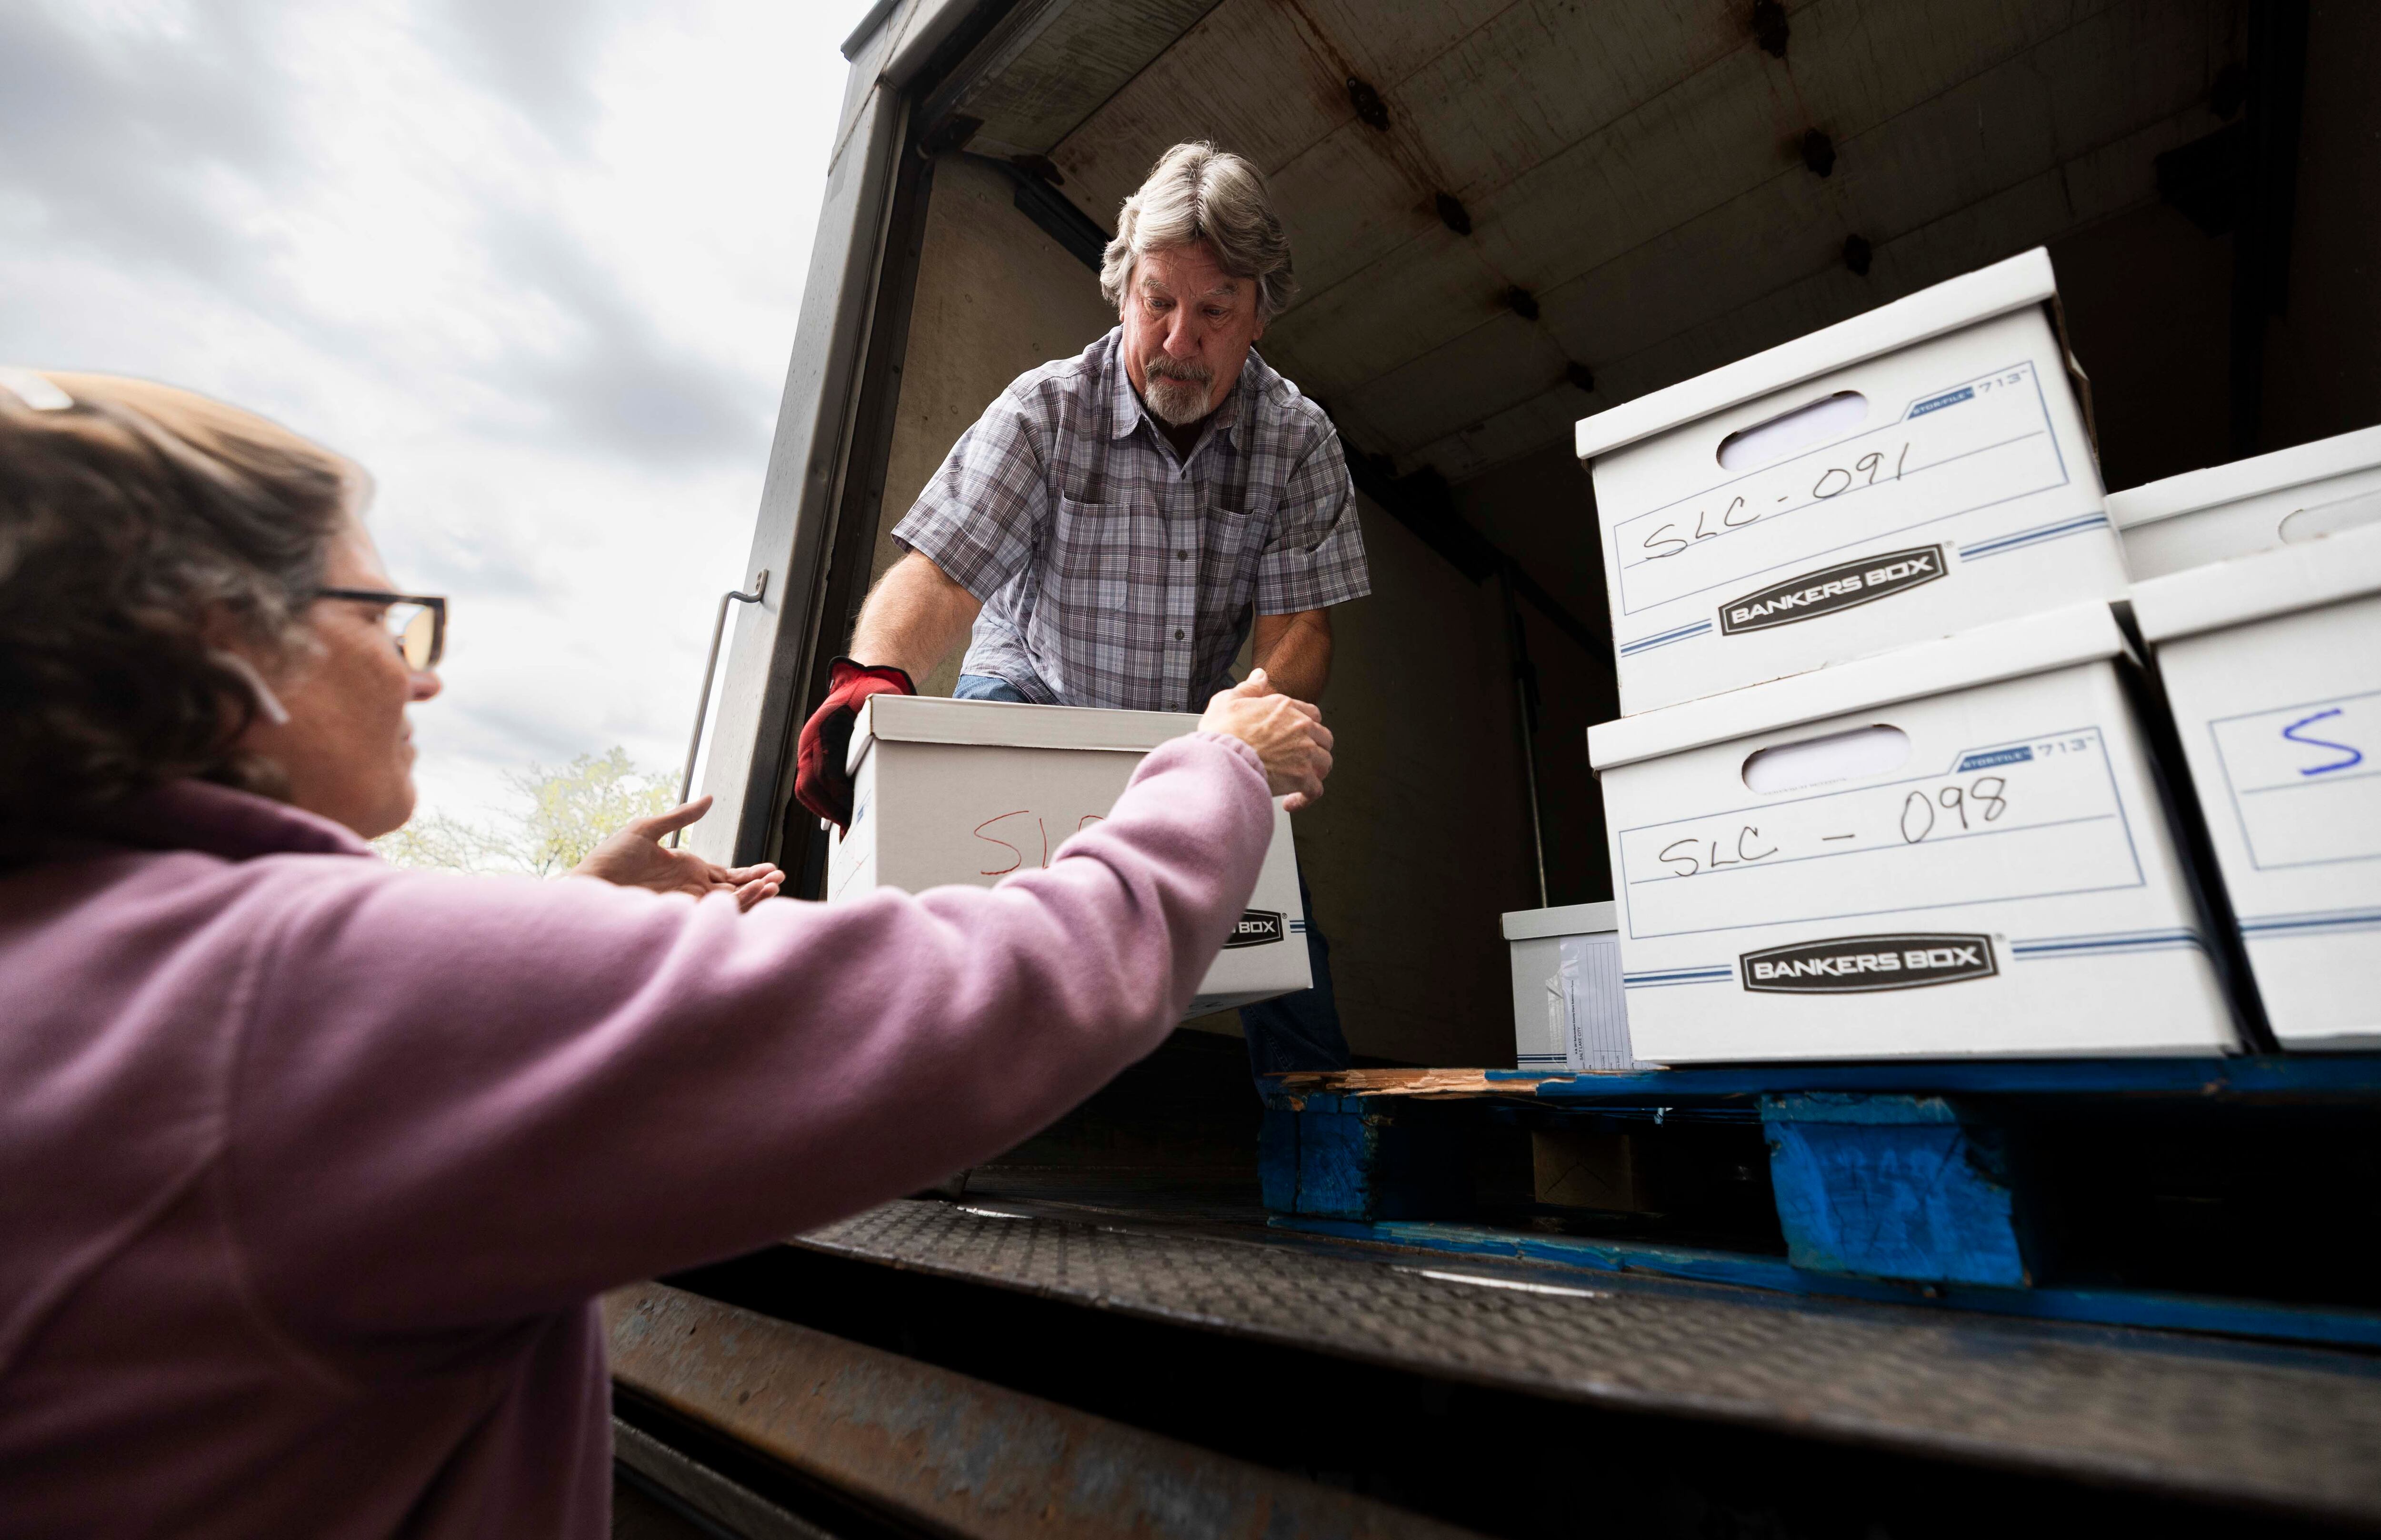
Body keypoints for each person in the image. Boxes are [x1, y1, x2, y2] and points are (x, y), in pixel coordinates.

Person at [0, 368, 1333, 1537]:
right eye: (387, 619)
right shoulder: (285, 993)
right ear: (228, 640)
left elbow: (365, 1057)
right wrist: (1213, 774)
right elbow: (982, 1001)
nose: (424, 678)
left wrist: (562, 913)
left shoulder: (72, 951)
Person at [794, 141, 1371, 1086]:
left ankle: (1327, 1180)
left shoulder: (1301, 442)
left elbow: (1299, 628)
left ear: (1259, 315)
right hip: (1028, 691)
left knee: (1281, 956)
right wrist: (869, 682)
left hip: (1183, 731)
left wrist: (1257, 719)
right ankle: (907, 1121)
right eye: (1159, 301)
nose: (1181, 340)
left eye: (1216, 309)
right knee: (964, 928)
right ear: (1122, 290)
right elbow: (941, 577)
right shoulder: (1043, 411)